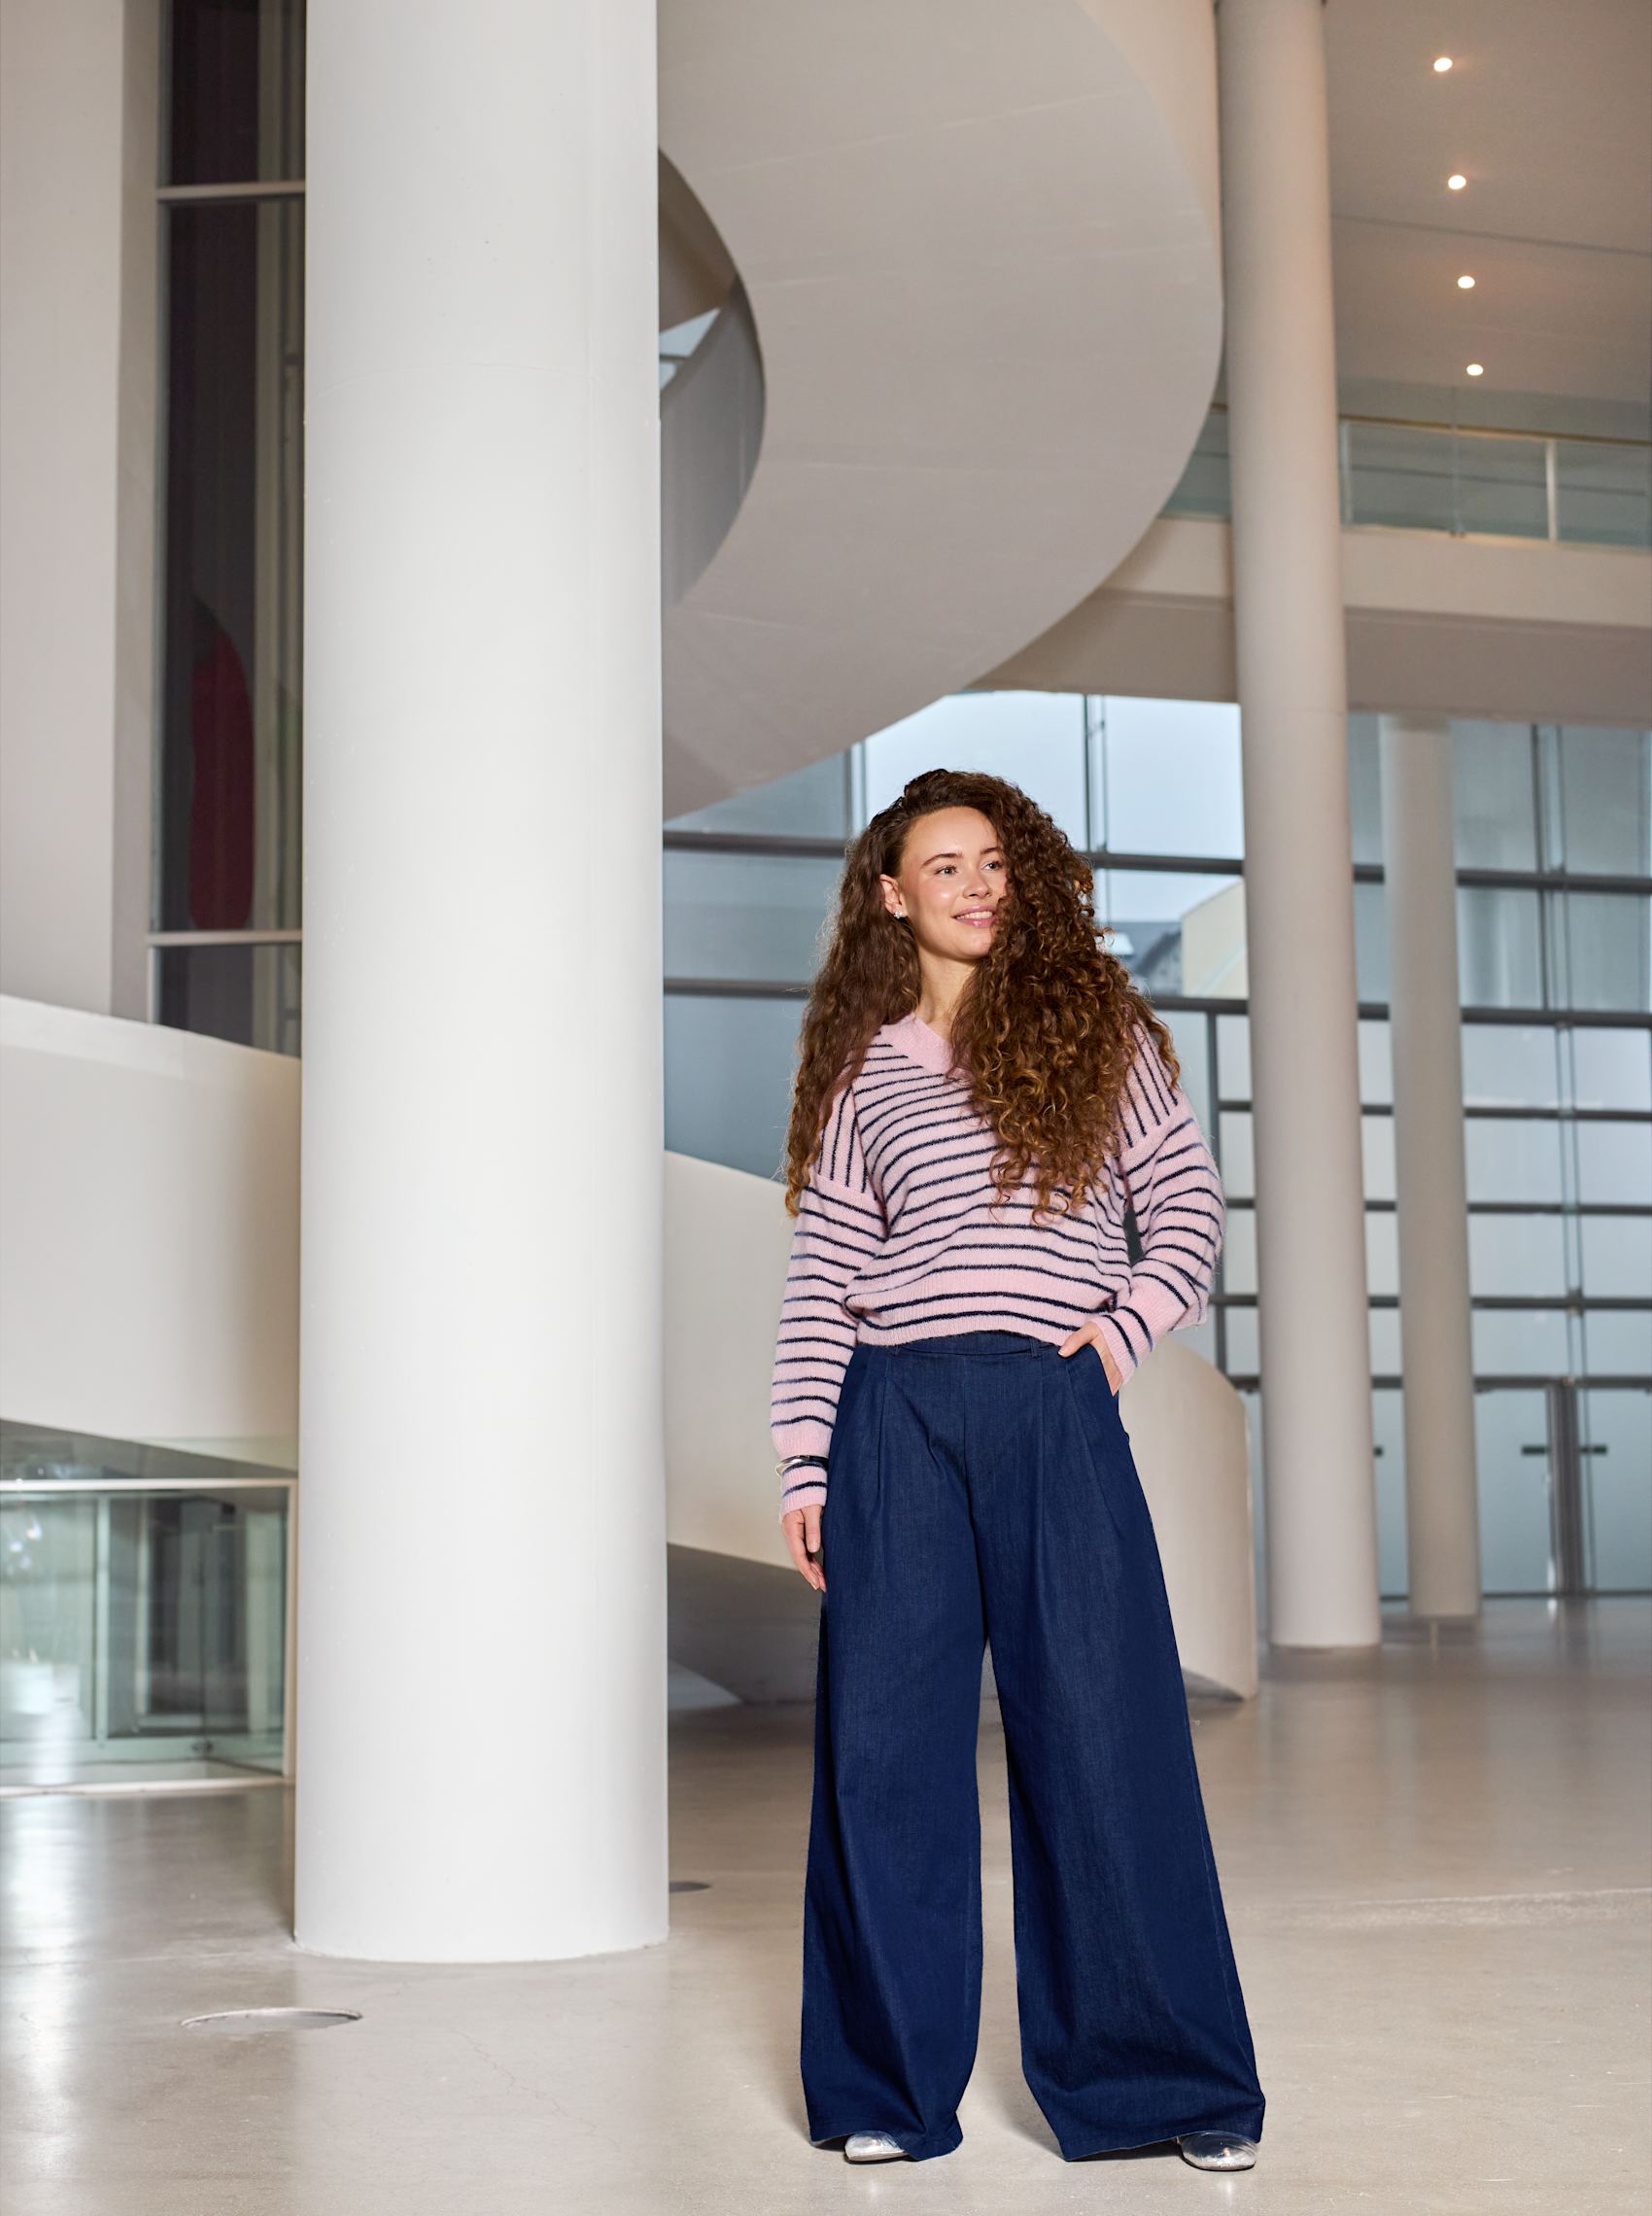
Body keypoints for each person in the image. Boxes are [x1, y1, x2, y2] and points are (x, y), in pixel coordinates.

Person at [769, 767, 1265, 2170]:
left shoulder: (1098, 1029)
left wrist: (1115, 1340)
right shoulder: (863, 1074)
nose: (979, 885)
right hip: (894, 1420)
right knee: (886, 1760)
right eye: (946, 866)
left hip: (1053, 1404)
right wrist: (805, 1460)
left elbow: (1187, 1208)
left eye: (995, 861)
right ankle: (886, 2089)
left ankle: (1163, 2086)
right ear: (891, 896)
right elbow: (823, 1281)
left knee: (1108, 1737)